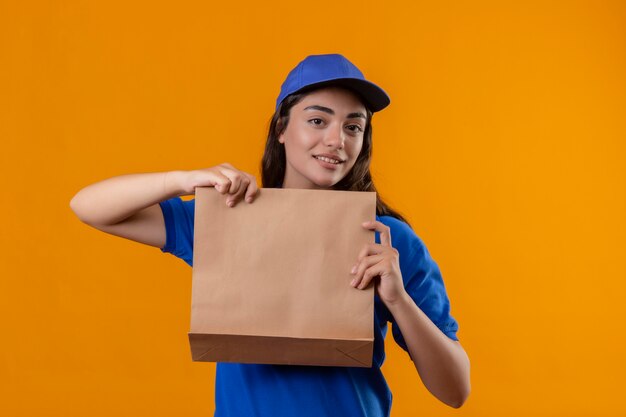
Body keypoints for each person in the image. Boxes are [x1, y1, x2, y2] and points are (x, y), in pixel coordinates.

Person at [70, 54, 470, 416]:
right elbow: (89, 207)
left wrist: (398, 300)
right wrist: (183, 180)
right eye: (318, 120)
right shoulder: (231, 218)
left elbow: (455, 389)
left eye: (353, 127)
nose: (336, 140)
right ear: (281, 129)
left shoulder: (387, 239)